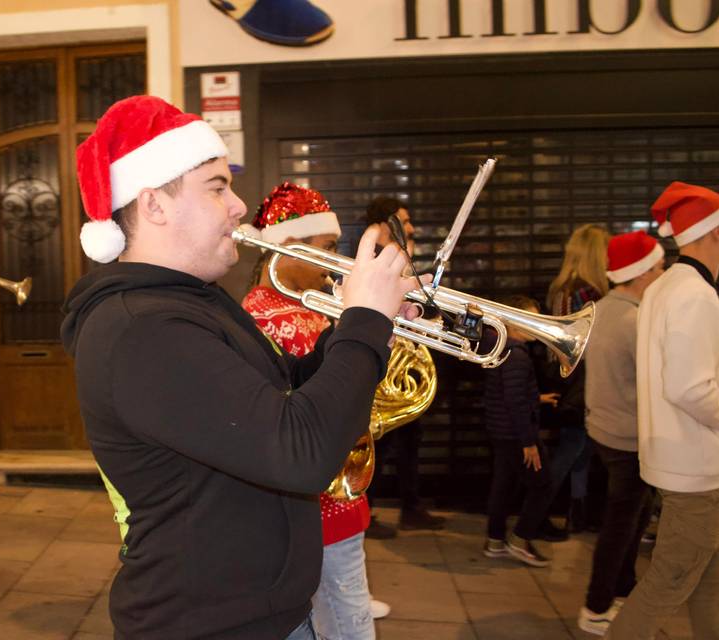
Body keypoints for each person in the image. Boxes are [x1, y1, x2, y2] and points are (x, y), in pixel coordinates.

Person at [61, 95, 420, 639]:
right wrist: (365, 321)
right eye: (217, 186)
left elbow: (285, 394)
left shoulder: (192, 303)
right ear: (154, 203)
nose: (237, 205)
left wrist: (368, 323)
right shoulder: (144, 329)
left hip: (261, 614)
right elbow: (300, 454)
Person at [241, 182, 389, 637]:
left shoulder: (306, 308)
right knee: (348, 623)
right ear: (287, 247)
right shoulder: (269, 317)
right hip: (321, 506)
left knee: (339, 613)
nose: (334, 265)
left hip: (333, 499)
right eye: (326, 249)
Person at [608, 182, 719, 639]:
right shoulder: (696, 293)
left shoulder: (666, 286)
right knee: (667, 585)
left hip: (678, 464)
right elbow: (690, 388)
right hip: (697, 472)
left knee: (707, 583)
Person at [577, 231, 663, 635]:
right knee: (622, 523)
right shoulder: (634, 319)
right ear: (643, 273)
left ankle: (623, 591)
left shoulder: (603, 309)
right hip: (628, 436)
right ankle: (595, 607)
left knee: (634, 514)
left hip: (605, 429)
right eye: (660, 267)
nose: (662, 274)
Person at [362, 196, 445, 536]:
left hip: (405, 372)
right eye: (403, 222)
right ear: (383, 227)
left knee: (409, 443)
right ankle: (365, 513)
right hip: (382, 372)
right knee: (378, 444)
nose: (410, 228)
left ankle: (410, 507)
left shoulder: (403, 261)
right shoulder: (371, 263)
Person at [481, 295, 558, 568]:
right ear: (514, 323)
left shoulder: (502, 349)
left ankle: (495, 540)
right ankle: (520, 538)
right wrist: (529, 442)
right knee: (543, 485)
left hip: (501, 430)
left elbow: (508, 394)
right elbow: (513, 401)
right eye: (532, 320)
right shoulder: (517, 357)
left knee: (503, 485)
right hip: (515, 434)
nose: (538, 325)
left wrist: (537, 398)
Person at [543, 223, 609, 535]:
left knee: (579, 447)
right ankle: (537, 514)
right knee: (574, 448)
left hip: (565, 379)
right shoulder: (592, 294)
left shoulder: (560, 289)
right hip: (586, 380)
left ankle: (576, 510)